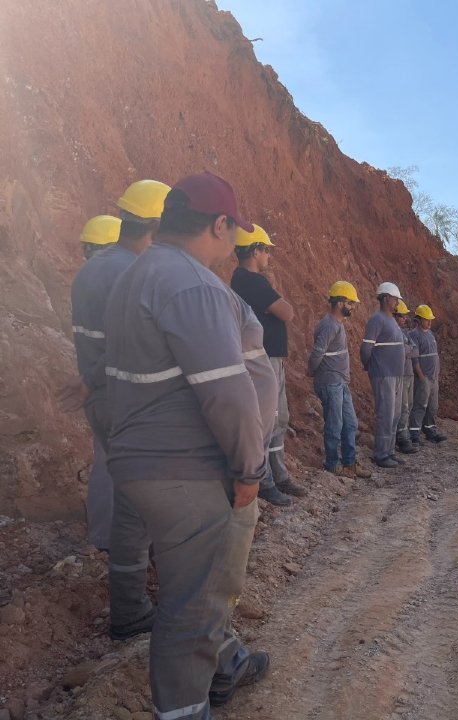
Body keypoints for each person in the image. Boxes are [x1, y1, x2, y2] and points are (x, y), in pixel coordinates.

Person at [103, 172, 274, 718]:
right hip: (185, 470)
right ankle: (184, 708)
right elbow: (228, 393)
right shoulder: (192, 284)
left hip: (145, 460)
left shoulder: (139, 274)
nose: (234, 245)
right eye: (233, 232)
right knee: (193, 602)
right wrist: (251, 470)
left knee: (202, 584)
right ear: (218, 225)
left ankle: (224, 665)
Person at [59, 181, 170, 642]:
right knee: (145, 505)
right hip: (127, 401)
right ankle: (135, 605)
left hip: (100, 404)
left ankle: (132, 601)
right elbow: (132, 346)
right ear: (158, 225)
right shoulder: (135, 273)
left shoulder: (92, 267)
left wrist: (89, 381)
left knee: (129, 501)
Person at [230, 224, 305, 505]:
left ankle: (279, 475)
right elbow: (287, 313)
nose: (269, 257)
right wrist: (277, 304)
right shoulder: (250, 280)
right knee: (266, 421)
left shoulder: (245, 280)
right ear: (255, 251)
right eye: (266, 251)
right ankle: (265, 481)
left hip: (269, 358)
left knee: (278, 418)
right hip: (262, 360)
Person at [72, 214, 121, 552]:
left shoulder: (83, 278)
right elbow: (122, 344)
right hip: (115, 388)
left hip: (97, 393)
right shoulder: (115, 278)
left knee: (104, 462)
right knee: (126, 466)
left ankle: (101, 538)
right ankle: (122, 541)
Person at [306, 281, 371, 479]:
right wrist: (311, 371)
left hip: (340, 383)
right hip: (330, 383)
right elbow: (317, 352)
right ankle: (332, 463)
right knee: (334, 425)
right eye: (351, 303)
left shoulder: (337, 324)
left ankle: (349, 463)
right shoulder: (328, 326)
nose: (354, 307)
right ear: (340, 303)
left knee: (350, 423)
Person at [360, 282, 407, 469]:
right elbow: (365, 348)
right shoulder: (377, 319)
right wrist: (369, 365)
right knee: (385, 414)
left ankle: (389, 451)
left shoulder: (391, 321)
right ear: (386, 298)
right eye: (395, 299)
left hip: (396, 374)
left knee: (394, 414)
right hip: (383, 374)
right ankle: (380, 454)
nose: (397, 303)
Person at [408, 304, 447, 444]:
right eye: (426, 319)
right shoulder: (413, 335)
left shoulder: (430, 334)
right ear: (418, 320)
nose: (429, 322)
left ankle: (430, 432)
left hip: (433, 378)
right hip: (423, 378)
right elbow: (414, 358)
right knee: (420, 405)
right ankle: (414, 434)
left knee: (432, 406)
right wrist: (420, 376)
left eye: (430, 319)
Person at [393, 299, 420, 454]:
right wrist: (407, 350)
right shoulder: (393, 333)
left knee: (408, 406)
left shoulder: (403, 334)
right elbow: (401, 351)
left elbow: (414, 351)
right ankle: (402, 439)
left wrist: (407, 350)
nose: (405, 319)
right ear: (395, 316)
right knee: (402, 407)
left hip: (409, 374)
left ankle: (405, 435)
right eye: (402, 316)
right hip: (401, 375)